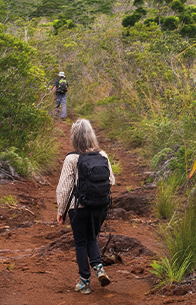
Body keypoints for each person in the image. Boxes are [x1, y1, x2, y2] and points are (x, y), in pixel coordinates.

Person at [56, 119, 115, 294]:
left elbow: (64, 188)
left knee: (81, 242)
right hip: (100, 207)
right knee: (92, 237)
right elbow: (111, 180)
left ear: (74, 137)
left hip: (78, 207)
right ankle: (99, 269)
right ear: (91, 136)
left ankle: (84, 282)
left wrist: (61, 211)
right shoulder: (102, 155)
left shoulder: (72, 158)